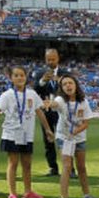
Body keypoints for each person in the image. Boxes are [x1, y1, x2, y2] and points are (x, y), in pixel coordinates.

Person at [0, 67, 54, 198]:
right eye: (16, 75)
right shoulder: (7, 95)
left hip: (27, 135)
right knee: (13, 163)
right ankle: (12, 194)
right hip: (11, 134)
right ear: (11, 78)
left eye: (22, 75)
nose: (20, 78)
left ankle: (28, 191)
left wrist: (48, 129)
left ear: (26, 77)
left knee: (27, 164)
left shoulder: (32, 94)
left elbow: (39, 112)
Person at [45, 75, 99, 198]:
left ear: (76, 85)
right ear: (62, 88)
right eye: (64, 84)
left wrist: (75, 131)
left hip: (79, 138)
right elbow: (55, 104)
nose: (68, 86)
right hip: (64, 138)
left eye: (70, 83)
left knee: (81, 167)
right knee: (67, 166)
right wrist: (49, 104)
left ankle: (87, 194)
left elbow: (86, 123)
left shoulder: (83, 102)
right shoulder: (61, 100)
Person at [33, 48, 70, 177]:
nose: (50, 62)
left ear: (58, 58)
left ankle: (70, 169)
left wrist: (59, 80)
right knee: (48, 139)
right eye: (48, 59)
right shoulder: (39, 73)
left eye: (53, 59)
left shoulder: (65, 73)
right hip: (46, 111)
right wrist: (43, 81)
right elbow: (35, 90)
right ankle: (53, 167)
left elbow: (70, 89)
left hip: (62, 111)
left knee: (66, 139)